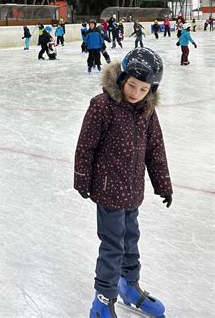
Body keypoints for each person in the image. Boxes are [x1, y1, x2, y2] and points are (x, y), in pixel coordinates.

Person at [74, 47, 172, 318]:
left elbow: (155, 150)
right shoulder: (102, 105)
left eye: (144, 89)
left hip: (133, 191)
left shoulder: (147, 111)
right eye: (132, 85)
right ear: (121, 78)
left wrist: (163, 184)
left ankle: (129, 286)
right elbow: (86, 147)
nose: (136, 94)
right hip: (107, 190)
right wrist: (83, 179)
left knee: (131, 239)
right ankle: (102, 300)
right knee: (113, 245)